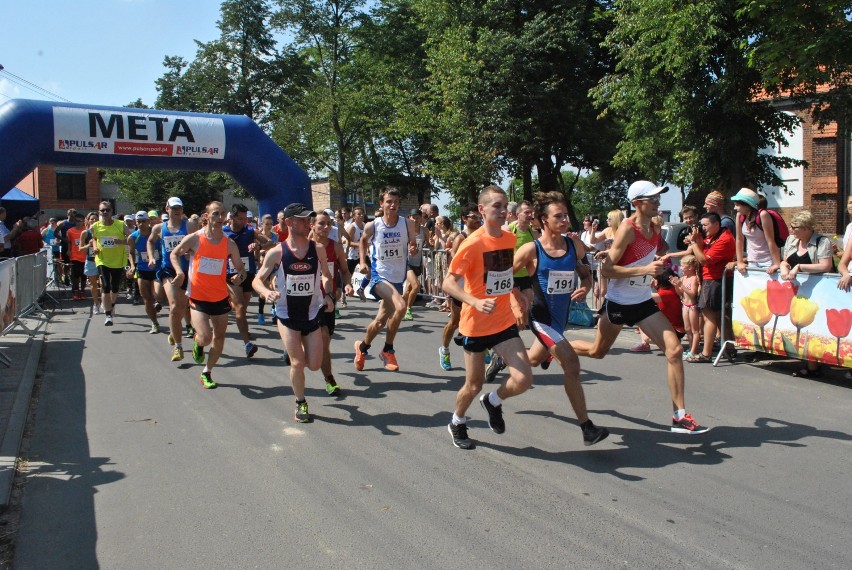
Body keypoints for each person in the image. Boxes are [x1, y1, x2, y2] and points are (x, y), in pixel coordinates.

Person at [570, 180, 710, 434]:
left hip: (643, 301)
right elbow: (608, 269)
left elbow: (658, 248)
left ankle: (679, 416)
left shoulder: (655, 227)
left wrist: (667, 249)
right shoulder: (627, 228)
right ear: (637, 203)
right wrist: (645, 268)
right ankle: (559, 348)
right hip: (620, 303)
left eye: (658, 198)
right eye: (652, 199)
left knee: (675, 349)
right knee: (597, 352)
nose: (658, 203)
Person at [512, 191, 609, 446]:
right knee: (571, 363)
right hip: (540, 317)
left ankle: (503, 362)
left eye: (566, 215)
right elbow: (502, 276)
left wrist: (586, 286)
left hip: (560, 320)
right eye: (559, 216)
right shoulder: (530, 249)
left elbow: (586, 274)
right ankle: (587, 428)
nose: (565, 220)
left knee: (533, 360)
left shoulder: (574, 245)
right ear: (543, 220)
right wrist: (516, 299)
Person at [443, 185, 532, 450]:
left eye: (506, 206)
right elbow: (449, 283)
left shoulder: (509, 239)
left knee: (524, 379)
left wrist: (516, 300)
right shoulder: (472, 244)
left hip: (503, 322)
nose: (504, 211)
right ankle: (457, 421)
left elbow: (505, 276)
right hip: (475, 325)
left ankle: (493, 401)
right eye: (497, 206)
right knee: (473, 384)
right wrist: (474, 301)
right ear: (482, 210)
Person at [253, 203, 335, 422]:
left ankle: (296, 359)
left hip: (311, 313)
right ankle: (300, 403)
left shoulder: (317, 249)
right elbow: (257, 280)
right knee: (298, 362)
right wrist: (265, 293)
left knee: (315, 364)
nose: (307, 222)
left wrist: (328, 295)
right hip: (286, 314)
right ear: (289, 222)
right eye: (302, 219)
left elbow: (326, 275)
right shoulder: (277, 252)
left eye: (308, 218)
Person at [170, 201, 247, 389]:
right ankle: (198, 343)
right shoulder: (195, 238)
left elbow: (240, 268)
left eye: (222, 214)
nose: (220, 218)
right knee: (205, 337)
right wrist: (179, 272)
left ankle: (207, 372)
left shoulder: (229, 244)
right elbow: (174, 253)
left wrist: (240, 276)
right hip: (198, 296)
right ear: (207, 217)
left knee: (219, 337)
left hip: (220, 296)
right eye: (215, 214)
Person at [354, 187, 417, 372]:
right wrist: (363, 262)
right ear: (382, 203)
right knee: (401, 306)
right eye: (389, 201)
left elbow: (413, 244)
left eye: (396, 202)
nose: (393, 205)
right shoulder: (373, 225)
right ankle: (388, 350)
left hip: (397, 277)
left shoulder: (407, 224)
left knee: (380, 322)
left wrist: (413, 249)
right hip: (378, 275)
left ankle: (362, 347)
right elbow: (363, 241)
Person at [779, 210, 834, 377]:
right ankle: (808, 364)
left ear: (806, 228)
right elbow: (785, 261)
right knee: (800, 327)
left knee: (815, 328)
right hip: (796, 293)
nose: (791, 230)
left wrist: (800, 267)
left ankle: (814, 366)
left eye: (795, 227)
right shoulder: (791, 240)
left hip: (817, 291)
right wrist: (783, 267)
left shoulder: (821, 242)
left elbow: (825, 266)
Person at [148, 197, 199, 361]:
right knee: (175, 305)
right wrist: (151, 257)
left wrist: (190, 251)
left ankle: (173, 330)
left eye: (180, 208)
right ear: (167, 209)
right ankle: (178, 347)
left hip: (187, 270)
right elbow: (150, 241)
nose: (177, 211)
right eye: (174, 208)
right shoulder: (159, 228)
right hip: (168, 270)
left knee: (184, 307)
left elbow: (199, 244)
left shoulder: (190, 226)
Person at [312, 210, 354, 394]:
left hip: (328, 298)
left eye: (329, 223)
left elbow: (344, 271)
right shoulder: (304, 246)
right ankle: (329, 378)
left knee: (324, 342)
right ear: (312, 225)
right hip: (307, 300)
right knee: (321, 337)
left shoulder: (335, 247)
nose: (326, 227)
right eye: (321, 223)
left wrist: (347, 285)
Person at [686, 212, 737, 363]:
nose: (703, 228)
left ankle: (706, 353)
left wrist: (694, 243)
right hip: (711, 279)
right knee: (722, 317)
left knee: (710, 317)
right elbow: (702, 249)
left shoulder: (724, 239)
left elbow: (703, 260)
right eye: (702, 225)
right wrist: (697, 240)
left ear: (716, 224)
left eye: (705, 225)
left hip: (715, 280)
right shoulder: (714, 236)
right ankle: (729, 348)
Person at [438, 204, 481, 371]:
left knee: (479, 320)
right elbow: (453, 265)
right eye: (474, 217)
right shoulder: (461, 238)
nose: (478, 220)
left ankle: (481, 347)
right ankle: (445, 350)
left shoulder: (482, 235)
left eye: (479, 217)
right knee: (455, 322)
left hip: (476, 287)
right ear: (464, 219)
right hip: (461, 287)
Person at [223, 203, 269, 358]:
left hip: (248, 274)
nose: (244, 222)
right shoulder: (223, 232)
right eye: (241, 219)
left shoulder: (250, 230)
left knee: (242, 307)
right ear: (232, 217)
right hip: (231, 275)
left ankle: (232, 308)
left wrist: (258, 245)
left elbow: (271, 242)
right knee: (241, 307)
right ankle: (247, 344)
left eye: (245, 219)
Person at [87, 201, 127, 326]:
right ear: (99, 212)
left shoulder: (121, 225)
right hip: (102, 259)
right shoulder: (95, 226)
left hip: (118, 260)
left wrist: (120, 241)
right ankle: (108, 315)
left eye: (107, 210)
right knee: (105, 285)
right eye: (102, 210)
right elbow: (94, 238)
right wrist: (95, 247)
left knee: (115, 287)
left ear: (112, 212)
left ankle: (112, 305)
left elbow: (131, 239)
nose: (105, 212)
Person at [732, 187, 782, 275]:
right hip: (752, 261)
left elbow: (770, 240)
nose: (735, 208)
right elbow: (739, 239)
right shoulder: (739, 216)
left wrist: (776, 264)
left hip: (767, 261)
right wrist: (740, 262)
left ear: (746, 204)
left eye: (737, 205)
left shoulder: (763, 215)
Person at [127, 211, 160, 333]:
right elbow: (130, 253)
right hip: (142, 269)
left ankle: (158, 301)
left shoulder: (157, 233)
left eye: (143, 221)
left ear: (149, 221)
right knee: (146, 298)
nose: (141, 224)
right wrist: (132, 266)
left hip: (157, 268)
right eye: (138, 222)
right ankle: (154, 322)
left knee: (157, 292)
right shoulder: (133, 237)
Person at [507, 200, 537, 305]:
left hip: (526, 275)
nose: (530, 215)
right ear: (518, 214)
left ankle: (525, 322)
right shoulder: (509, 230)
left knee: (527, 305)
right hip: (511, 275)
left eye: (531, 212)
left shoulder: (533, 232)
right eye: (526, 213)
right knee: (513, 308)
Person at [403, 209, 428, 321]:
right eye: (413, 217)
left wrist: (434, 241)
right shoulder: (405, 230)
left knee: (408, 289)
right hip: (406, 262)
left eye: (418, 217)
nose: (415, 220)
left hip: (417, 263)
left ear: (421, 218)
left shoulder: (424, 230)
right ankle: (408, 309)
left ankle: (399, 308)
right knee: (416, 285)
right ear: (409, 218)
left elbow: (430, 245)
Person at [677, 255, 701, 360]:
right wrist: (676, 285)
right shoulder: (684, 278)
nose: (681, 268)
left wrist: (681, 286)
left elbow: (692, 294)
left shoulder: (693, 278)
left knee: (695, 330)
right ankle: (691, 348)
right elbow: (680, 293)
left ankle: (693, 350)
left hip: (692, 306)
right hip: (685, 305)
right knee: (687, 329)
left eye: (682, 266)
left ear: (690, 268)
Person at [79, 212, 102, 312]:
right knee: (93, 284)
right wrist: (89, 245)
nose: (93, 221)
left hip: (102, 260)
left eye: (96, 219)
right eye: (91, 219)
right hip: (91, 261)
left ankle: (104, 302)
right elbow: (80, 249)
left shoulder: (102, 231)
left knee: (103, 283)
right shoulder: (85, 233)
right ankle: (96, 303)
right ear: (88, 220)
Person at [65, 213, 88, 300]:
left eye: (80, 221)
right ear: (74, 221)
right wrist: (68, 250)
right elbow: (69, 242)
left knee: (83, 275)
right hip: (74, 256)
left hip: (84, 256)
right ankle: (75, 291)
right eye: (77, 221)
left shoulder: (86, 230)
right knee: (75, 275)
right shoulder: (70, 231)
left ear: (83, 222)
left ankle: (82, 291)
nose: (79, 223)